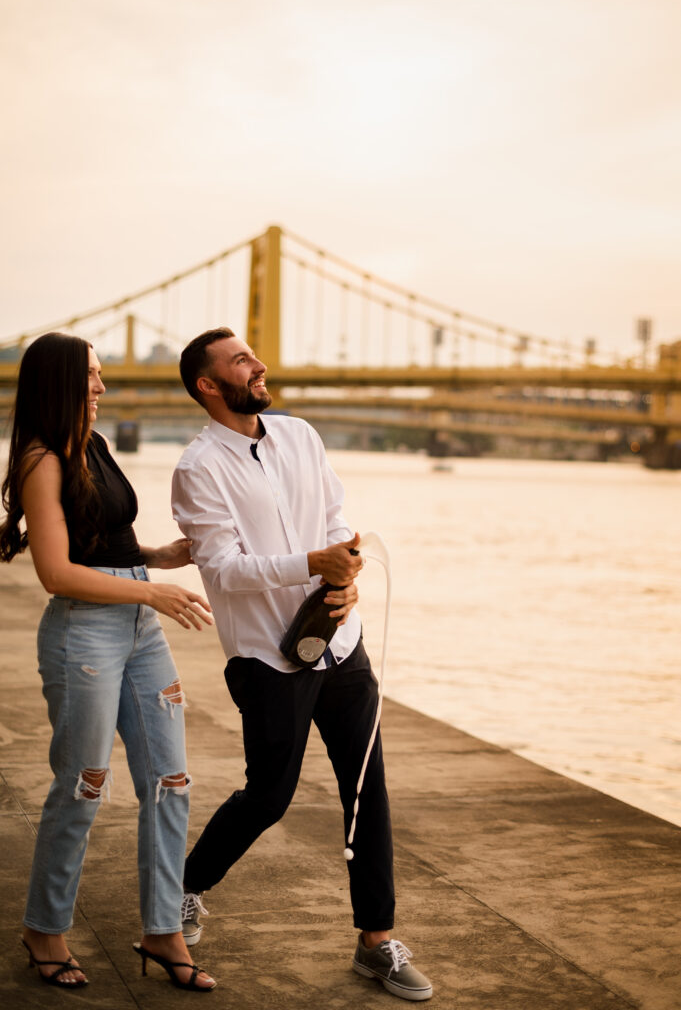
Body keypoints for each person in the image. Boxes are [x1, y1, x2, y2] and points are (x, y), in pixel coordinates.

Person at [171, 327, 433, 1002]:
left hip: (341, 644)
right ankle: (184, 888)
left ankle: (375, 942)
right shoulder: (198, 468)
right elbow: (223, 572)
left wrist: (342, 575)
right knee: (269, 796)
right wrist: (307, 565)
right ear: (207, 384)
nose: (256, 365)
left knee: (365, 790)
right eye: (238, 361)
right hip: (265, 659)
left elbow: (334, 522)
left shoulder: (301, 436)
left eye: (253, 355)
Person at [0, 333, 217, 992]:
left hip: (137, 631)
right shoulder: (41, 458)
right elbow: (58, 572)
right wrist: (152, 589)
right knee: (84, 786)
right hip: (84, 640)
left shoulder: (90, 444)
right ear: (62, 383)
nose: (102, 388)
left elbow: (100, 542)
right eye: (92, 377)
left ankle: (162, 929)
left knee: (171, 781)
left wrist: (156, 557)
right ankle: (45, 927)